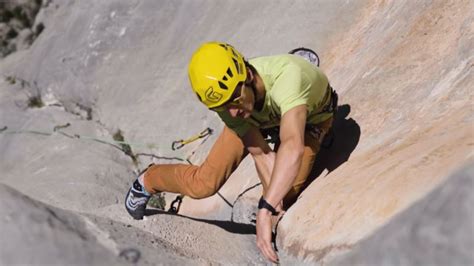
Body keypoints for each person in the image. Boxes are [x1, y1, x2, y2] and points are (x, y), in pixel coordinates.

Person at [125, 42, 336, 263]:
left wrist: (266, 209)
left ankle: (302, 66)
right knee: (203, 184)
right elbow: (261, 153)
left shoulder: (288, 79)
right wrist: (271, 202)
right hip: (256, 117)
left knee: (285, 189)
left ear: (247, 75)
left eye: (234, 100)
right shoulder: (230, 104)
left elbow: (292, 147)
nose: (232, 113)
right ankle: (148, 179)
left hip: (308, 117)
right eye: (224, 107)